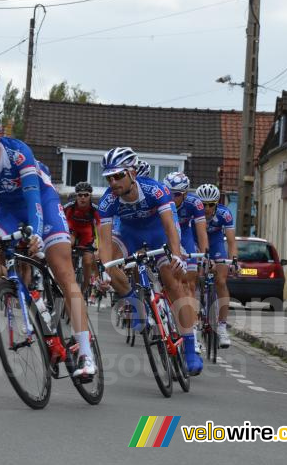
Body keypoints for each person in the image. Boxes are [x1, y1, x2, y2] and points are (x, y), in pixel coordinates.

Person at [0, 107, 97, 378]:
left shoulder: (18, 153)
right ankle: (23, 296)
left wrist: (37, 235)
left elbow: (33, 201)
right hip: (7, 213)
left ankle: (87, 354)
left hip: (44, 205)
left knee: (63, 271)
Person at [95, 147, 203, 375]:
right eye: (109, 177)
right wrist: (104, 270)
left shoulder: (155, 190)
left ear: (133, 173)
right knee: (109, 263)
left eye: (118, 176)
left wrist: (176, 254)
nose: (113, 182)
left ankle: (190, 349)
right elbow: (104, 242)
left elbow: (170, 226)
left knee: (172, 281)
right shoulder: (107, 201)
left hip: (158, 235)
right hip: (129, 235)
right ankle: (136, 304)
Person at [164, 172, 209, 354]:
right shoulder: (163, 202)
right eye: (169, 193)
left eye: (176, 194)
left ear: (184, 194)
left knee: (190, 284)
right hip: (167, 234)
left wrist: (204, 255)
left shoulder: (194, 203)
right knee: (169, 281)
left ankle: (192, 334)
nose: (172, 197)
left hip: (186, 236)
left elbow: (202, 232)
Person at [196, 183, 239, 348]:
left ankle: (221, 326)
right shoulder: (194, 213)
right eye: (203, 204)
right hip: (196, 242)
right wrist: (202, 257)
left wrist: (234, 260)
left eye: (210, 204)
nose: (206, 208)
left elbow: (232, 242)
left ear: (217, 203)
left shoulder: (224, 213)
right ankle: (195, 316)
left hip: (215, 244)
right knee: (195, 278)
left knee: (221, 282)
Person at [63, 181, 100, 299]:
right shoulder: (69, 207)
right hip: (72, 231)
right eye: (80, 195)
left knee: (88, 261)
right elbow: (62, 223)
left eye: (86, 195)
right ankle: (67, 276)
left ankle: (84, 288)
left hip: (87, 235)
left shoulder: (95, 210)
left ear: (90, 196)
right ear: (76, 196)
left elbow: (99, 228)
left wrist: (99, 247)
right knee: (69, 244)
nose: (82, 197)